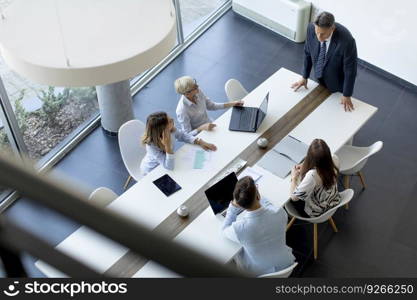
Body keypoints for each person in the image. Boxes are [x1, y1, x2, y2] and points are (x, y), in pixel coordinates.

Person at [222, 176, 295, 276]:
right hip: (286, 264)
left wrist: (233, 208)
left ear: (240, 204)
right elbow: (269, 206)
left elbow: (224, 230)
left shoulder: (239, 229)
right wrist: (255, 194)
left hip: (258, 274)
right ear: (258, 196)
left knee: (238, 252)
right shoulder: (280, 213)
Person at [291, 11, 357, 112]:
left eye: (323, 34)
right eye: (317, 33)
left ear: (332, 28)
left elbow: (350, 70)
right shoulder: (311, 28)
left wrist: (346, 94)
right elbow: (307, 52)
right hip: (319, 75)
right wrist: (304, 77)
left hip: (336, 82)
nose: (319, 37)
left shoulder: (347, 41)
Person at [140, 112, 217, 176]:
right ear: (163, 129)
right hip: (151, 170)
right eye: (170, 121)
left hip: (167, 164)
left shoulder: (171, 130)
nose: (173, 120)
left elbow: (183, 136)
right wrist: (167, 146)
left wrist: (200, 142)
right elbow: (169, 167)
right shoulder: (151, 146)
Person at [175, 76, 244, 135]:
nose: (198, 86)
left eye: (195, 83)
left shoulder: (198, 92)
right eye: (194, 87)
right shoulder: (181, 111)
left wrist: (232, 104)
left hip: (211, 124)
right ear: (187, 93)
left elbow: (212, 106)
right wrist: (201, 128)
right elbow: (187, 134)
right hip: (200, 136)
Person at [289, 139, 341, 218]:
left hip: (316, 211)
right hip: (332, 199)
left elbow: (294, 198)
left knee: (288, 201)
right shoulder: (335, 158)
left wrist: (293, 178)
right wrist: (305, 165)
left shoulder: (312, 175)